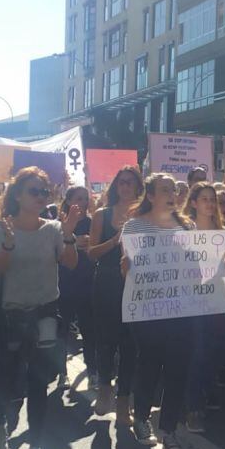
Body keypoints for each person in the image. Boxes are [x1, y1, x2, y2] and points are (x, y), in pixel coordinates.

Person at [0, 167, 81, 449]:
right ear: (17, 195)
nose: (40, 197)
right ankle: (0, 421)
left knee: (39, 382)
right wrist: (9, 244)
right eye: (34, 191)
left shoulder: (52, 228)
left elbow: (71, 263)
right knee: (5, 378)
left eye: (44, 192)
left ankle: (34, 448)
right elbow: (0, 266)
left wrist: (68, 232)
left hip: (44, 312)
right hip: (7, 313)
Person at [120, 173, 195, 449]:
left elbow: (195, 266)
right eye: (164, 190)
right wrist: (128, 268)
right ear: (150, 196)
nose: (171, 194)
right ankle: (141, 418)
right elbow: (128, 266)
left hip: (181, 308)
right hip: (149, 308)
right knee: (150, 364)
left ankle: (169, 430)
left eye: (173, 190)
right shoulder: (134, 226)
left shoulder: (186, 226)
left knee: (178, 369)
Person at [88, 166, 142, 423]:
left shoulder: (146, 216)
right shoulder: (102, 214)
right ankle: (105, 389)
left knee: (131, 344)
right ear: (115, 186)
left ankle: (123, 404)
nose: (126, 186)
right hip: (108, 282)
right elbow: (91, 252)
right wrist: (114, 240)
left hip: (136, 283)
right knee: (106, 340)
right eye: (122, 182)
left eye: (131, 182)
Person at [183, 182, 225, 433]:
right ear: (193, 203)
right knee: (196, 352)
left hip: (217, 299)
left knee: (214, 349)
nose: (210, 204)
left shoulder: (222, 231)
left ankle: (204, 392)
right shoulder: (184, 232)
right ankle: (193, 407)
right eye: (205, 199)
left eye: (213, 199)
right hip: (191, 301)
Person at [57, 185, 94, 389]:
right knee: (63, 329)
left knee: (89, 329)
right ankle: (62, 372)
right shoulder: (59, 224)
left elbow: (98, 250)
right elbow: (53, 253)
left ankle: (93, 369)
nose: (82, 202)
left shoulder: (92, 222)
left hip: (86, 281)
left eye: (85, 198)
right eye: (78, 198)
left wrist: (90, 245)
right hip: (65, 282)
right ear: (69, 200)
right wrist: (70, 241)